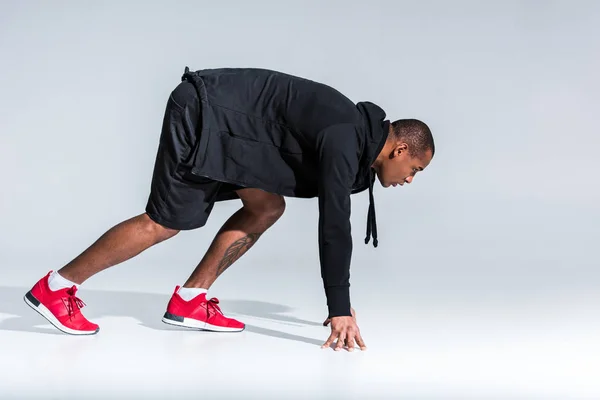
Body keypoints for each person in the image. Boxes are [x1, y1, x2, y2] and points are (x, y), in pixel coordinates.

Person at [23, 67, 434, 351]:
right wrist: (339, 308)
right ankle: (55, 288)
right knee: (163, 223)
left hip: (237, 133)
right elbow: (334, 226)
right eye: (413, 169)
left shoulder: (355, 138)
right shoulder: (347, 137)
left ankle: (190, 299)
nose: (409, 179)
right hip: (205, 114)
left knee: (267, 206)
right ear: (398, 150)